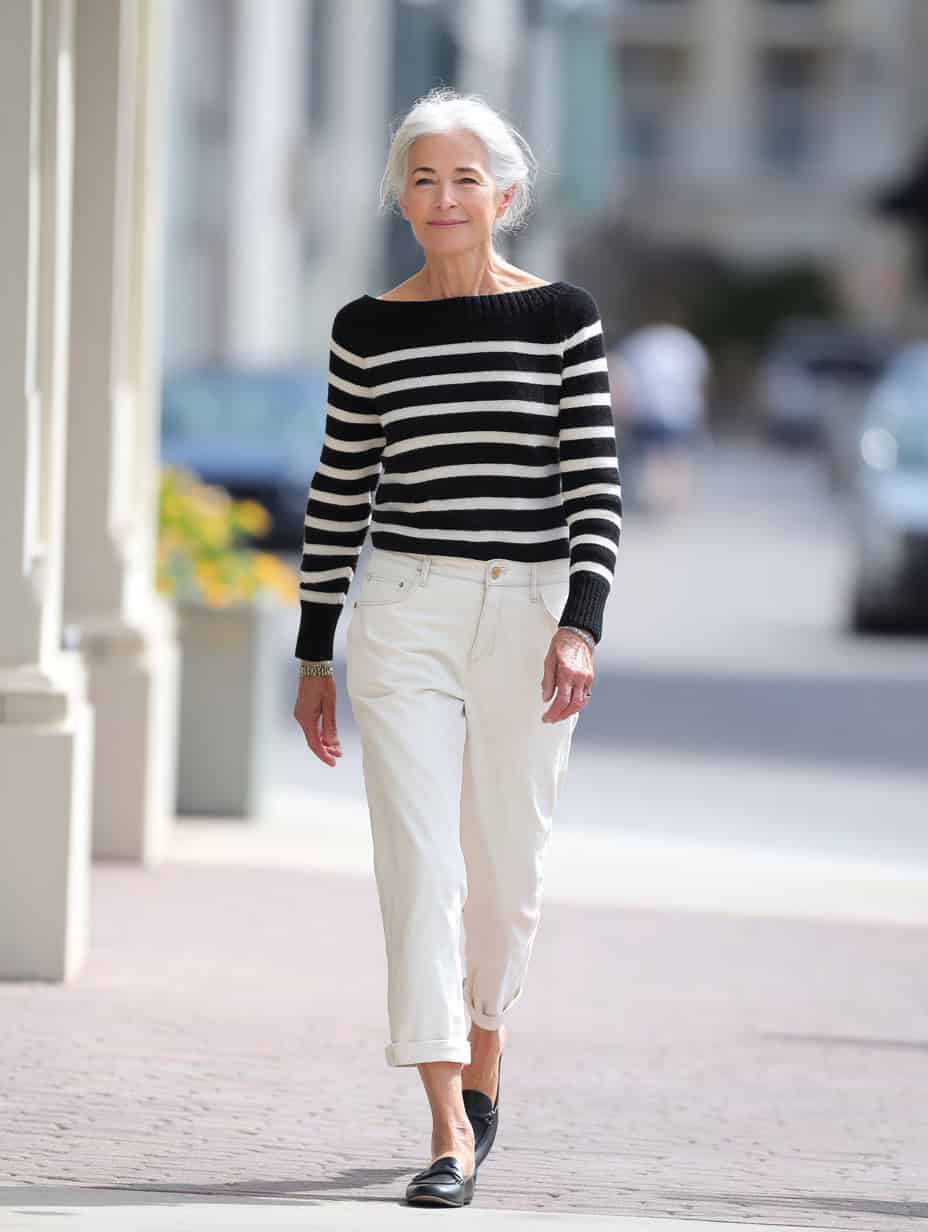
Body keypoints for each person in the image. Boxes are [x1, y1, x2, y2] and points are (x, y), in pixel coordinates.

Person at [292, 86, 621, 1209]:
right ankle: (445, 1125)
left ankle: (486, 1038)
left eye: (464, 178)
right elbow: (341, 489)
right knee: (420, 867)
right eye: (423, 179)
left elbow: (593, 488)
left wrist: (581, 623)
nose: (443, 197)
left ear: (505, 195)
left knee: (506, 872)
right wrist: (311, 651)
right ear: (401, 197)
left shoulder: (561, 317)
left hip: (529, 611)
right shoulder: (367, 328)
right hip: (404, 612)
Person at [613, 307, 710, 514]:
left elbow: (623, 377)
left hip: (649, 408)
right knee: (677, 454)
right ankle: (673, 497)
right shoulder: (687, 342)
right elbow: (700, 379)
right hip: (682, 408)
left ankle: (657, 497)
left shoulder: (638, 342)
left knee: (653, 455)